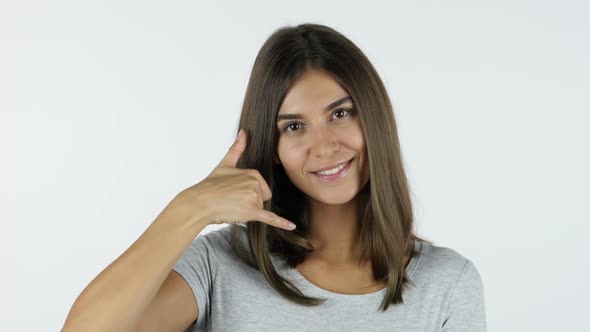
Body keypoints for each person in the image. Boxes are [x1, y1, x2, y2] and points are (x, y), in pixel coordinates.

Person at [62, 23, 487, 332]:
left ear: (374, 118)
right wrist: (189, 208)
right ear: (273, 148)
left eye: (340, 114)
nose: (324, 147)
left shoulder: (448, 284)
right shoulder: (218, 266)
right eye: (294, 127)